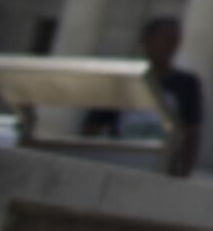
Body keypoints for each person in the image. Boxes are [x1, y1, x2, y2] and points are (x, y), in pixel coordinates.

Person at [81, 15, 204, 177]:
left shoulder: (187, 84)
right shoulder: (124, 79)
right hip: (119, 160)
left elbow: (191, 130)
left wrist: (185, 169)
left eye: (174, 40)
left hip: (162, 166)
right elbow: (94, 124)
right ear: (146, 41)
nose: (169, 46)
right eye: (164, 39)